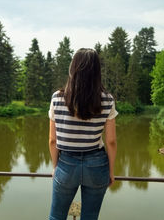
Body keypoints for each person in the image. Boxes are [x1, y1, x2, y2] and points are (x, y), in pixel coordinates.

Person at [48, 48, 117, 220]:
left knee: (56, 217)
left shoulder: (57, 98)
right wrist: (111, 170)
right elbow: (111, 142)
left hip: (66, 164)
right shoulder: (107, 100)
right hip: (97, 165)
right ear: (96, 72)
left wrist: (56, 167)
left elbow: (52, 140)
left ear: (73, 69)